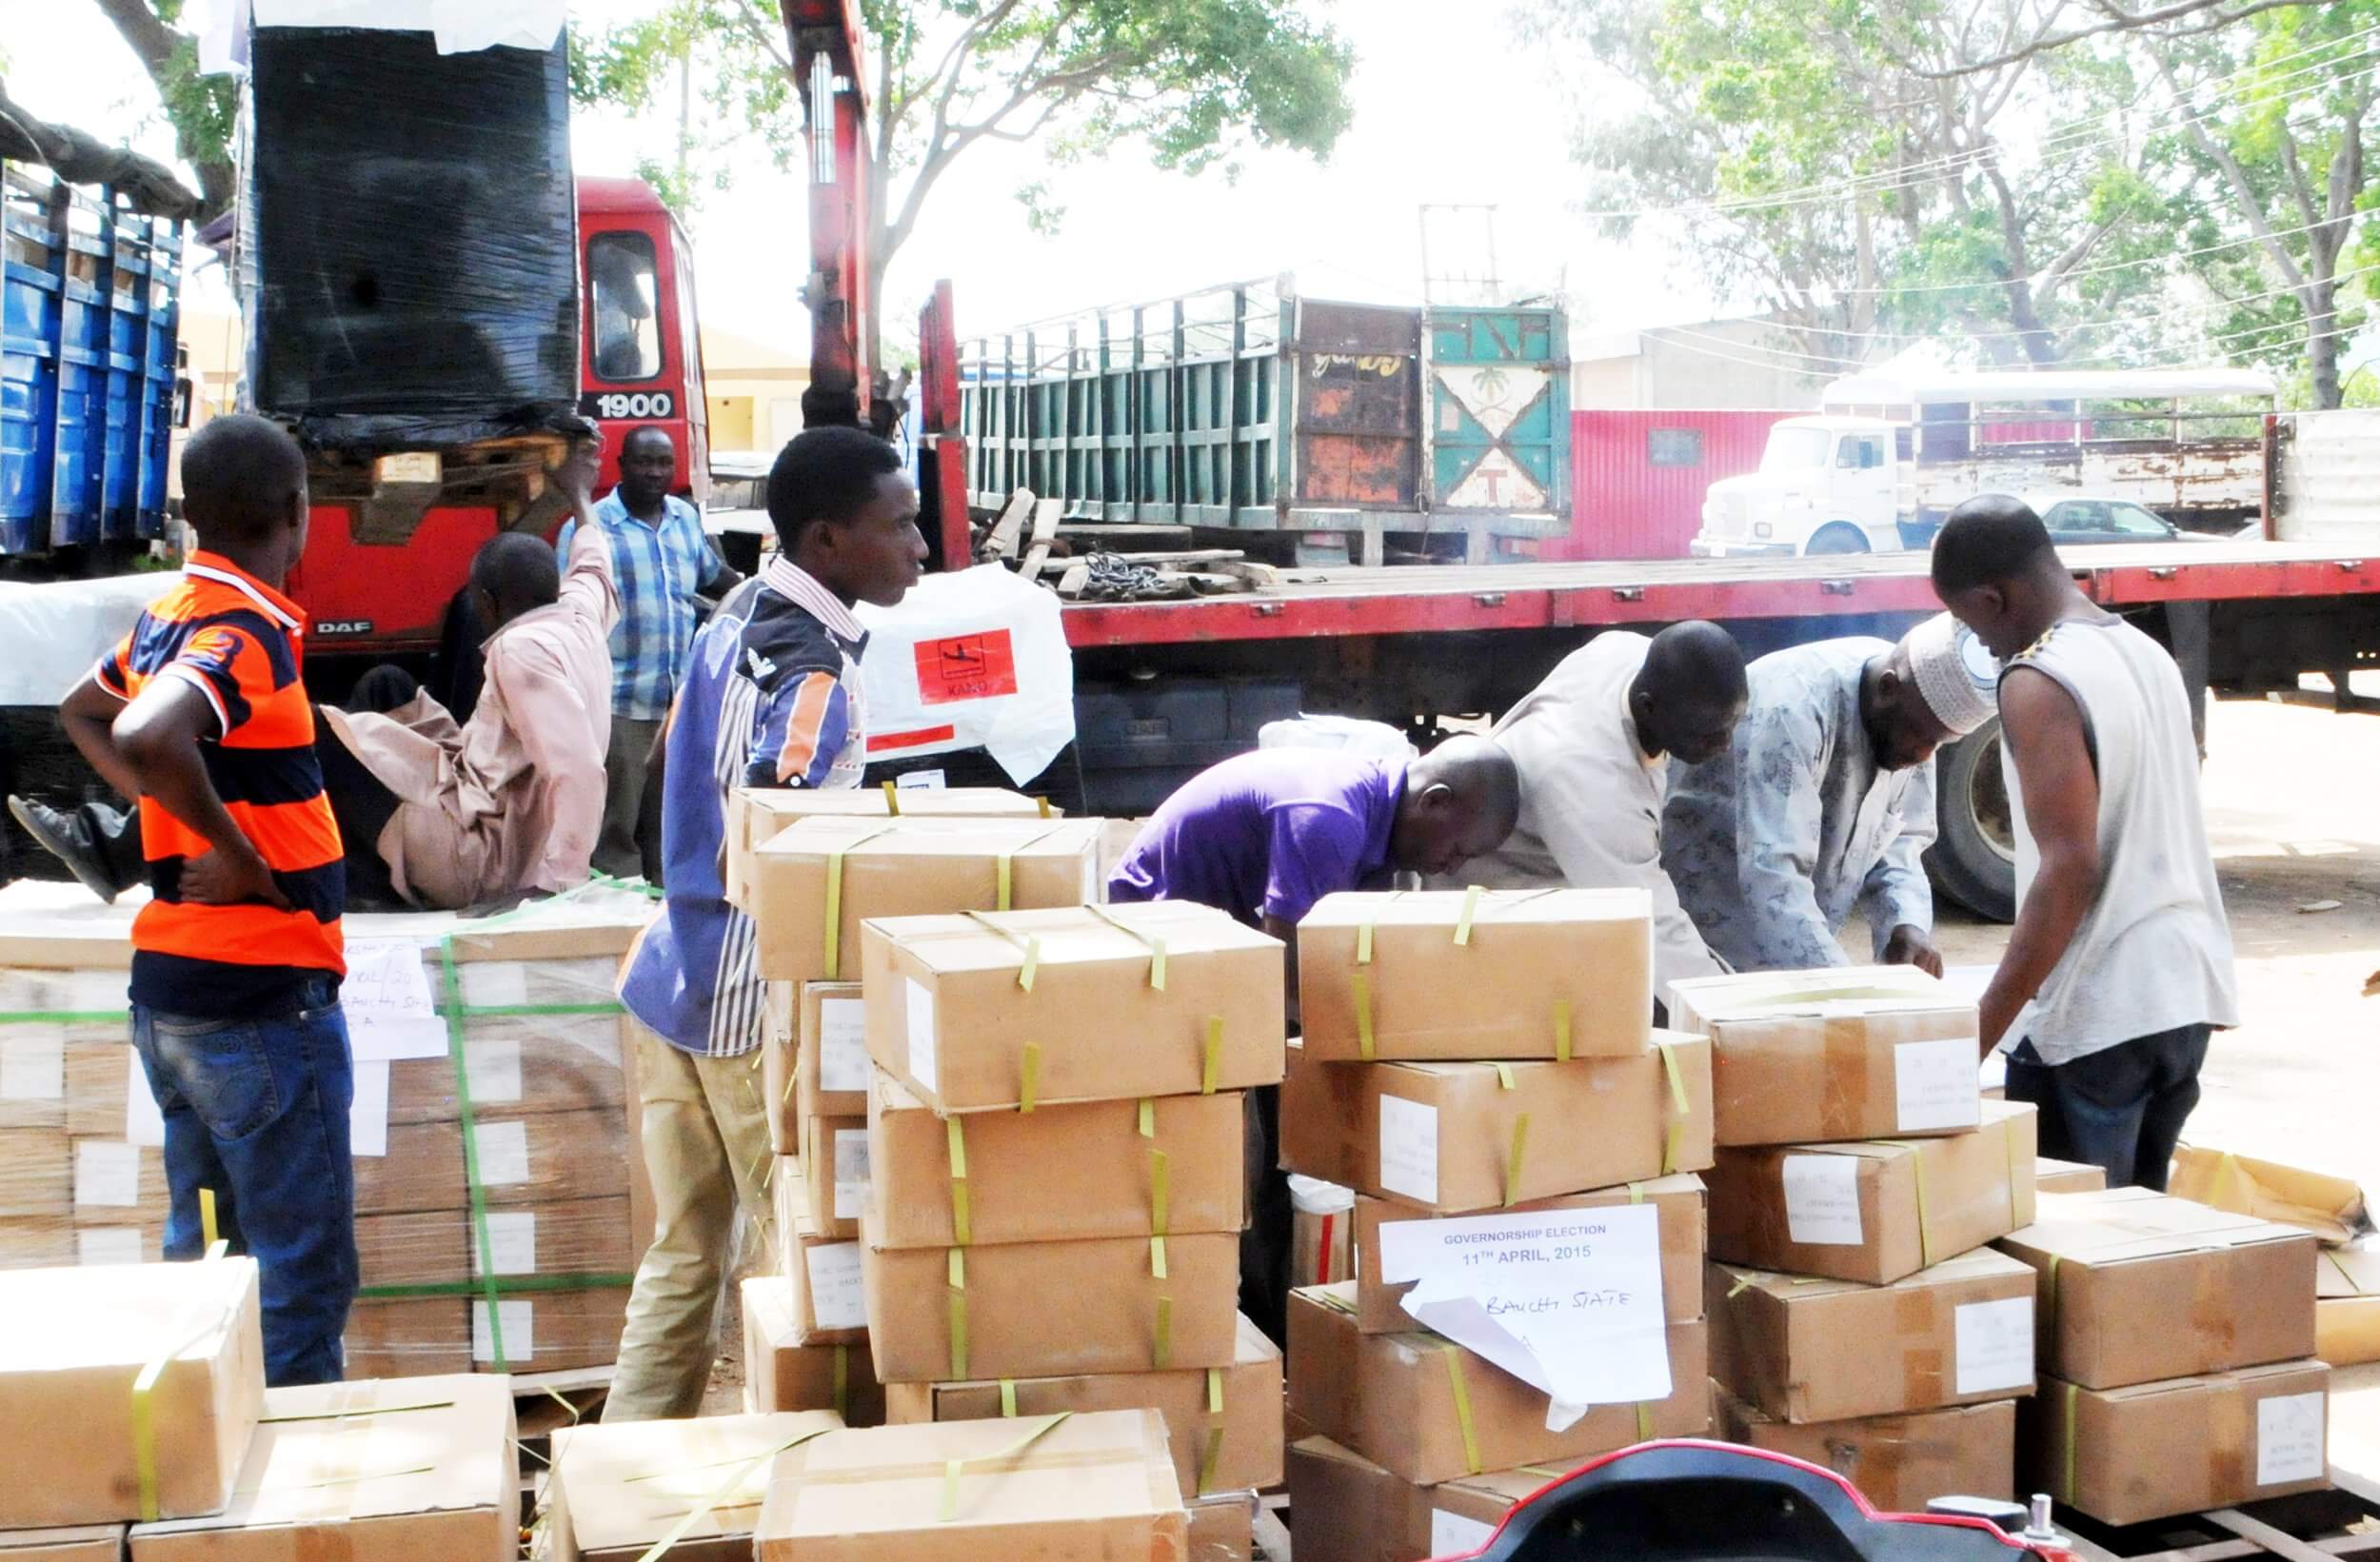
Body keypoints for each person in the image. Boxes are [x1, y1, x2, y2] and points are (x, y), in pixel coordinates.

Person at [606, 425, 923, 1420]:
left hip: (670, 977)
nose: (921, 546)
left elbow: (668, 774)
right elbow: (774, 825)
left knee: (686, 1252)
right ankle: (798, 1483)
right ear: (828, 541)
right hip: (747, 1010)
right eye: (901, 525)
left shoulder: (733, 614)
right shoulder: (814, 674)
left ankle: (621, 1476)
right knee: (804, 1267)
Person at [50, 414, 355, 1385]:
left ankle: (208, 1463)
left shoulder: (167, 613)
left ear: (189, 516)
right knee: (297, 1278)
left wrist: (162, 809)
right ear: (298, 512)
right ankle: (293, 1505)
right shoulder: (245, 631)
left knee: (211, 1262)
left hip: (176, 995)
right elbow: (142, 727)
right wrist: (239, 853)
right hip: (259, 1000)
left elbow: (84, 710)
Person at [18, 445, 622, 915]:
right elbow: (594, 562)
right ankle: (332, 837)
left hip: (481, 854)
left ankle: (120, 849)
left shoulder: (519, 653)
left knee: (303, 731)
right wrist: (580, 498)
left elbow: (578, 771)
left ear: (485, 603)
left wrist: (554, 885)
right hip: (476, 790)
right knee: (385, 684)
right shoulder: (580, 614)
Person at [1107, 737, 1523, 1343]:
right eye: (1458, 848)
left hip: (1231, 946)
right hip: (1156, 939)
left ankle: (1282, 1310)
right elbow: (1290, 974)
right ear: (1434, 802)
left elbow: (1353, 960)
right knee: (1259, 1148)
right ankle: (1252, 1325)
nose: (1453, 867)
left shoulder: (1386, 823)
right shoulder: (1330, 816)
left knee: (1301, 1121)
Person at [1932, 494, 2237, 1189]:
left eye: (1969, 622)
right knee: (2135, 1257)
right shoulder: (2146, 653)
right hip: (2181, 999)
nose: (1979, 643)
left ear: (1994, 597)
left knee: (2074, 1265)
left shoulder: (2037, 680)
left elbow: (2068, 870)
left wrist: (1980, 1034)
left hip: (2098, 1018)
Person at [1661, 613, 1999, 975]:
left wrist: (1905, 924)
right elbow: (1774, 876)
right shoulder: (1791, 709)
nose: (1924, 756)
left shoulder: (1915, 713)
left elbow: (1900, 837)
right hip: (1709, 930)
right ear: (1888, 689)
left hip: (1787, 940)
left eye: (1940, 742)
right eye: (1922, 736)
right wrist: (1845, 992)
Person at [1454, 622, 1750, 1008]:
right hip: (1492, 894)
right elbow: (1654, 928)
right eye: (1709, 735)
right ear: (1648, 706)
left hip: (1559, 853)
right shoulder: (1592, 786)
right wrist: (1736, 1011)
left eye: (1732, 726)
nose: (1725, 745)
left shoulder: (1625, 650)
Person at [559, 425, 744, 881]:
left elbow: (710, 576)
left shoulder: (684, 519)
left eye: (664, 463)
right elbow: (570, 609)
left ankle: (664, 915)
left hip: (678, 705)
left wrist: (755, 590)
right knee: (615, 828)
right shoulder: (589, 527)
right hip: (621, 702)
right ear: (622, 467)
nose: (655, 472)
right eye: (644, 462)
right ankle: (619, 919)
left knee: (669, 824)